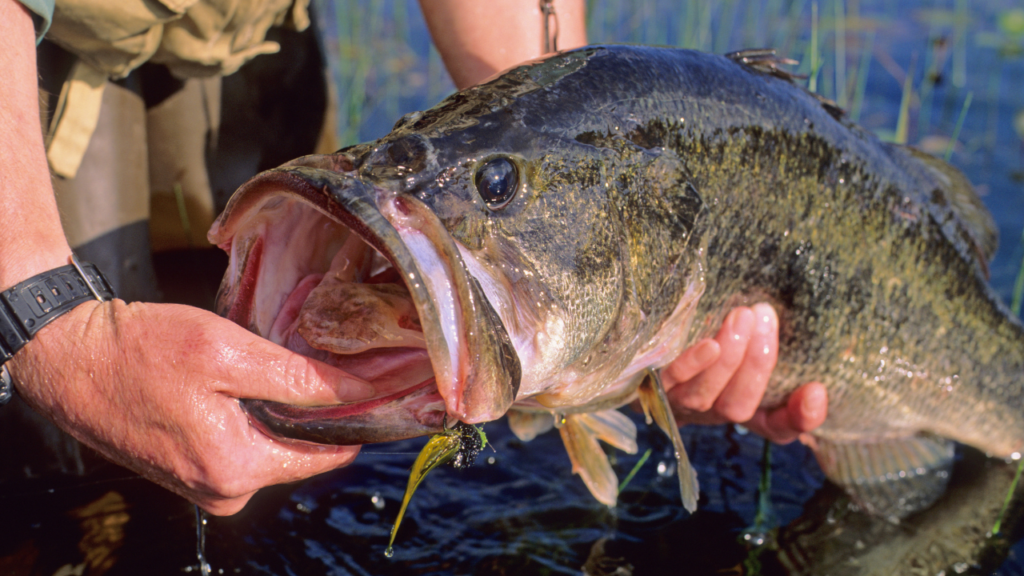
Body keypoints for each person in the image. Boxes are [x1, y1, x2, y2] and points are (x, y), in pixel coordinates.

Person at [0, 0, 826, 516]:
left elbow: (551, 120)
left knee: (259, 430)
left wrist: (611, 332)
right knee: (56, 440)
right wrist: (40, 312)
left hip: (233, 23)